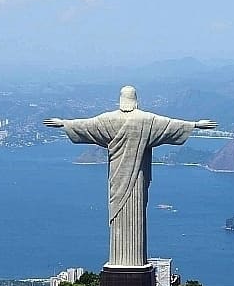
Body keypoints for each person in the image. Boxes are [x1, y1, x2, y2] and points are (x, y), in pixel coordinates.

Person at [44, 86, 216, 268]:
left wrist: (64, 123)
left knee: (118, 216)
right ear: (136, 99)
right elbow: (170, 125)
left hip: (117, 178)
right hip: (137, 180)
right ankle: (133, 261)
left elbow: (86, 125)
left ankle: (120, 261)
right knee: (135, 216)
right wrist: (195, 125)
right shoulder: (146, 120)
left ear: (120, 99)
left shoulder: (108, 120)